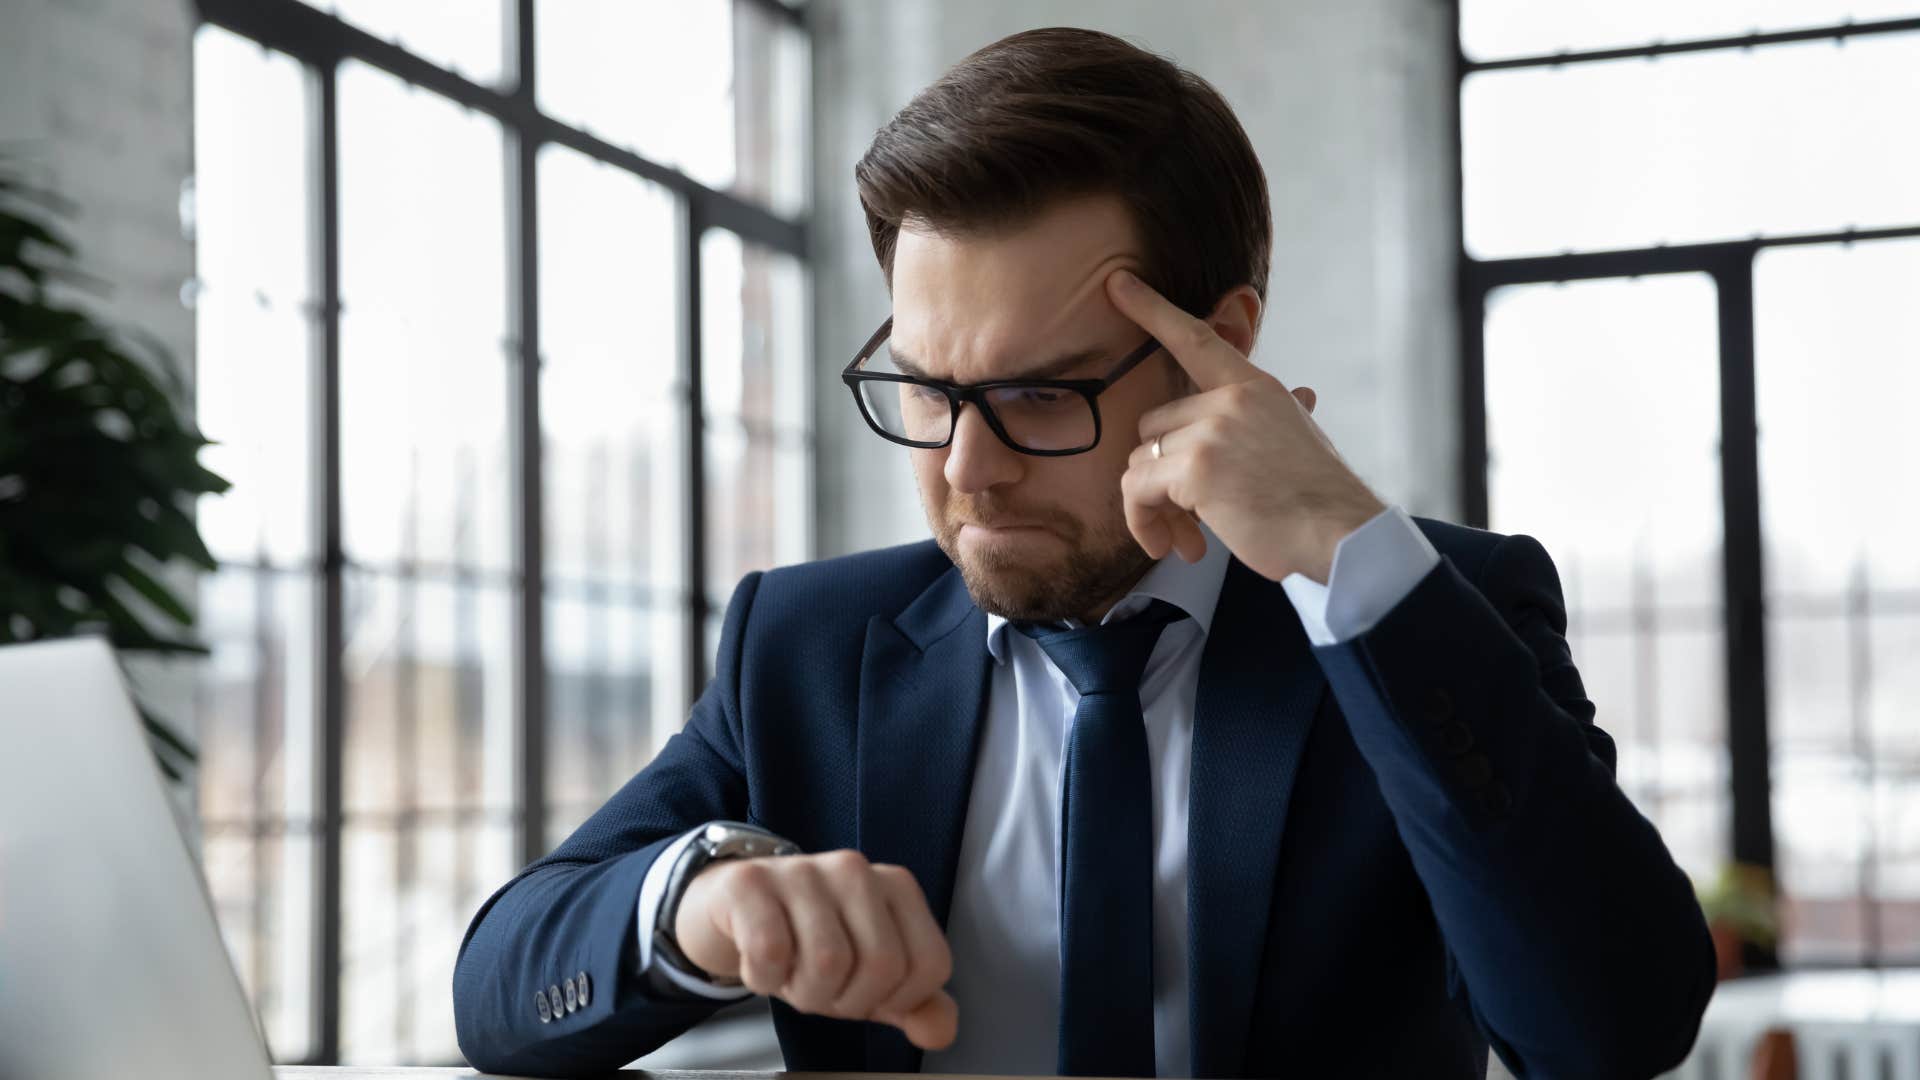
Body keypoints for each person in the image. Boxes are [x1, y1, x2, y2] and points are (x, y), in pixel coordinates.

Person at [453, 26, 1714, 1079]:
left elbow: (1612, 1030)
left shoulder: (1429, 614)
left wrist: (1348, 556)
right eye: (928, 389)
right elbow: (501, 986)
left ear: (1220, 351)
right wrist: (697, 899)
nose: (967, 468)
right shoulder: (806, 645)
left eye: (1040, 395)